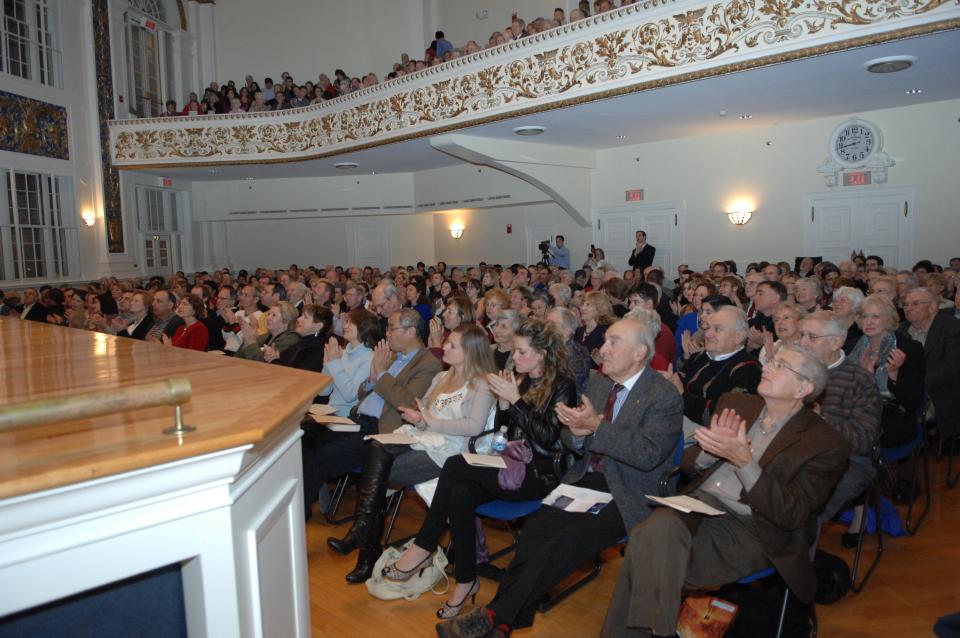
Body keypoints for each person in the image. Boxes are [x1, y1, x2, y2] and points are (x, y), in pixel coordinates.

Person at [436, 316, 682, 638]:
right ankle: (504, 621)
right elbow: (569, 440)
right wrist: (579, 433)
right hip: (585, 480)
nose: (602, 349)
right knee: (538, 529)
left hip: (628, 491)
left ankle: (495, 616)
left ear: (639, 353)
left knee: (566, 537)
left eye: (612, 342)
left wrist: (595, 427)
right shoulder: (599, 382)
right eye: (604, 340)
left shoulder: (663, 394)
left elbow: (647, 455)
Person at [601, 345, 849, 638]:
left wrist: (744, 461)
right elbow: (690, 463)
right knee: (657, 533)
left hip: (753, 526)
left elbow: (791, 512)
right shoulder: (738, 403)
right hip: (699, 503)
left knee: (645, 547)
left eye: (781, 365)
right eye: (771, 360)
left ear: (803, 388)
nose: (767, 366)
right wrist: (710, 452)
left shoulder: (824, 443)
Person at [391, 319, 576, 624]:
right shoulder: (522, 378)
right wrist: (506, 403)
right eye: (514, 351)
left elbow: (547, 439)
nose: (513, 357)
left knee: (454, 464)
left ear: (542, 354)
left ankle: (425, 544)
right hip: (510, 462)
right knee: (461, 493)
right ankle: (466, 580)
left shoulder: (562, 386)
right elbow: (505, 431)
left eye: (521, 351)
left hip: (539, 474)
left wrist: (514, 401)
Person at [328, 324, 496, 584]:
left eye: (452, 345)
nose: (445, 348)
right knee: (375, 448)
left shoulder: (481, 385)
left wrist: (427, 421)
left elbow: (473, 427)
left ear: (470, 352)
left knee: (380, 472)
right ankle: (363, 540)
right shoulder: (442, 378)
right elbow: (424, 415)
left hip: (450, 452)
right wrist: (419, 419)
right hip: (424, 437)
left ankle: (365, 545)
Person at [306, 309, 442, 521]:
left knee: (322, 455)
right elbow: (361, 393)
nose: (386, 333)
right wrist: (371, 380)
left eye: (392, 328)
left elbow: (407, 402)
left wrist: (381, 374)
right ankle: (298, 512)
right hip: (356, 418)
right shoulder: (392, 356)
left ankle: (296, 519)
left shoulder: (429, 364)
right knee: (305, 442)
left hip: (380, 429)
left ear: (410, 332)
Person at [797, 312, 880, 535]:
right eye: (801, 335)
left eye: (812, 337)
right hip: (795, 452)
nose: (803, 343)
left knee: (803, 514)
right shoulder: (794, 370)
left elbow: (863, 441)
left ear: (836, 341)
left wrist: (823, 421)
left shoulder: (860, 380)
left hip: (846, 459)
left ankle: (797, 566)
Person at [661, 306, 760, 434]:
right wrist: (669, 380)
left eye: (717, 329)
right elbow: (684, 379)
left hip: (707, 435)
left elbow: (724, 418)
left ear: (739, 336)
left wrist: (681, 396)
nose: (707, 334)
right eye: (707, 328)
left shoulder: (748, 369)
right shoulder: (700, 356)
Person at [901, 287, 960, 443]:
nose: (908, 308)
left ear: (933, 307)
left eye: (915, 304)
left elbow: (950, 368)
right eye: (906, 304)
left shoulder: (952, 328)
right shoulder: (902, 329)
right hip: (906, 388)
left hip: (940, 390)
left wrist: (915, 386)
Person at [267, 304, 334, 371]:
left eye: (305, 317)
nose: (299, 319)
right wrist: (274, 358)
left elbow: (299, 375)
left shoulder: (318, 349)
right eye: (302, 315)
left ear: (318, 326)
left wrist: (274, 360)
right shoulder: (305, 341)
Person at [236, 301, 300, 361]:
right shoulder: (267, 336)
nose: (268, 318)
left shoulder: (291, 339)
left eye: (274, 315)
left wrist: (251, 341)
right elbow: (237, 357)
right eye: (268, 314)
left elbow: (262, 363)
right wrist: (247, 338)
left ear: (286, 320)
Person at [575, 291, 615, 363]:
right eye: (582, 304)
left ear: (600, 308)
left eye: (588, 305)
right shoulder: (579, 331)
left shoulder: (607, 332)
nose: (582, 308)